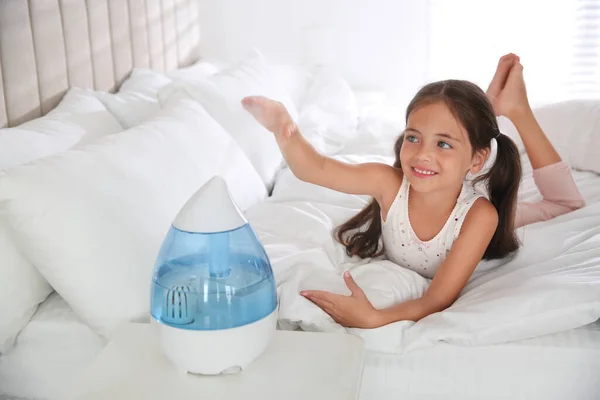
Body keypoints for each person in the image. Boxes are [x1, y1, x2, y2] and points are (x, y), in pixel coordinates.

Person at [241, 53, 585, 329]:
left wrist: (376, 319)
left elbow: (436, 299)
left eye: (444, 144)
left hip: (463, 212)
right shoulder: (389, 183)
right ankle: (492, 111)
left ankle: (516, 109)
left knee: (564, 203)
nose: (422, 154)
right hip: (454, 193)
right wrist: (283, 127)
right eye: (413, 137)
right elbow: (314, 169)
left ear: (477, 160)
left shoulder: (482, 215)